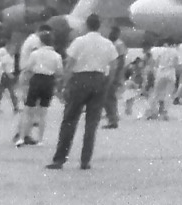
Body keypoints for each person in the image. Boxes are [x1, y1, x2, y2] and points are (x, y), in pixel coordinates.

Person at [46, 14, 118, 171]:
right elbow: (113, 65)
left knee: (70, 119)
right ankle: (85, 161)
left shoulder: (79, 42)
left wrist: (64, 84)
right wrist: (107, 82)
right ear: (99, 26)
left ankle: (60, 159)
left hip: (80, 79)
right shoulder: (108, 44)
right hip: (99, 79)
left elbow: (70, 64)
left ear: (86, 25)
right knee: (91, 124)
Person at [14, 29, 63, 146]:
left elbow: (28, 68)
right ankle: (40, 139)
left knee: (28, 110)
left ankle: (21, 137)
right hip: (49, 80)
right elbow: (60, 72)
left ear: (40, 41)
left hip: (36, 79)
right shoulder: (57, 56)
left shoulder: (35, 54)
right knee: (43, 112)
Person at [102, 26, 127, 129]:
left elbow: (121, 61)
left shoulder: (119, 44)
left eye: (113, 32)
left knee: (109, 96)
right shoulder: (110, 43)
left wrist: (116, 74)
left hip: (113, 73)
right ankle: (113, 115)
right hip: (108, 72)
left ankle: (112, 118)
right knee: (110, 95)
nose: (111, 34)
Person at [147, 39, 179, 120]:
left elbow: (155, 62)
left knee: (156, 93)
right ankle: (164, 112)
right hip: (170, 73)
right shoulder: (175, 51)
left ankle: (152, 111)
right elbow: (176, 63)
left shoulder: (157, 50)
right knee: (168, 94)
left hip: (160, 72)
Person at [0, 42, 18, 114]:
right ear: (9, 49)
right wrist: (8, 73)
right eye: (12, 49)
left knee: (11, 92)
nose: (14, 51)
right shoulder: (6, 57)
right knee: (2, 92)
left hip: (9, 75)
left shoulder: (12, 57)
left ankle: (15, 107)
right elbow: (2, 66)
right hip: (5, 76)